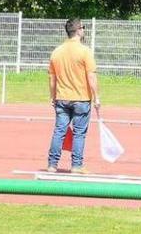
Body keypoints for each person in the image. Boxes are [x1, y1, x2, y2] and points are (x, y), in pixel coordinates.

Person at [47, 18, 100, 174]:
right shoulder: (85, 51)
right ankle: (76, 165)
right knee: (79, 133)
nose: (84, 30)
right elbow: (91, 76)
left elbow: (52, 78)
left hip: (62, 98)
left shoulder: (56, 52)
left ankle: (52, 164)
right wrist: (97, 97)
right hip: (81, 99)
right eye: (83, 27)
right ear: (78, 30)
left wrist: (52, 96)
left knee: (59, 131)